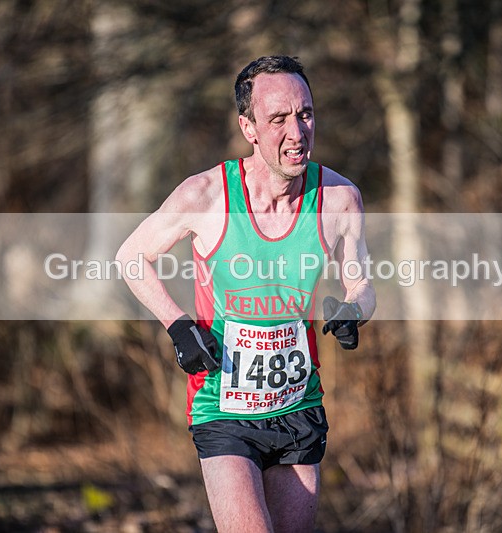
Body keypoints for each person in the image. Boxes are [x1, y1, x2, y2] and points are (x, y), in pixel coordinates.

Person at [116, 55, 375, 533]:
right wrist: (178, 325)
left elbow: (360, 283)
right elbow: (132, 257)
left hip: (298, 403)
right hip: (222, 404)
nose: (297, 132)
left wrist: (351, 310)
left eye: (306, 114)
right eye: (278, 119)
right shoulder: (206, 197)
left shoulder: (340, 198)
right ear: (249, 127)